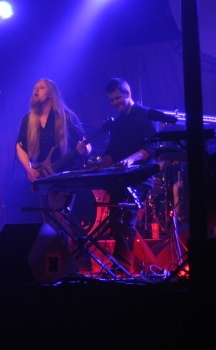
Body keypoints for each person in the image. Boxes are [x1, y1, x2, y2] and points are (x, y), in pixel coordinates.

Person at [98, 78, 158, 275]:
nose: (115, 103)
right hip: (121, 178)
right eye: (111, 100)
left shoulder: (145, 115)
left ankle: (122, 268)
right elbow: (112, 149)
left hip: (140, 177)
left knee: (126, 220)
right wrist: (103, 162)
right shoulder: (117, 123)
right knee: (115, 220)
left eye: (118, 98)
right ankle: (120, 265)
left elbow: (153, 145)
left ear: (128, 94)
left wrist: (132, 159)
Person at [15, 78, 92, 231]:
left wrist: (86, 150)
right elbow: (20, 145)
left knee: (68, 221)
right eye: (35, 87)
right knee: (51, 222)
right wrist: (29, 168)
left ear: (51, 94)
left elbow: (86, 144)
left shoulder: (67, 116)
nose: (36, 90)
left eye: (41, 87)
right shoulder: (28, 119)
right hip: (45, 177)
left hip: (67, 176)